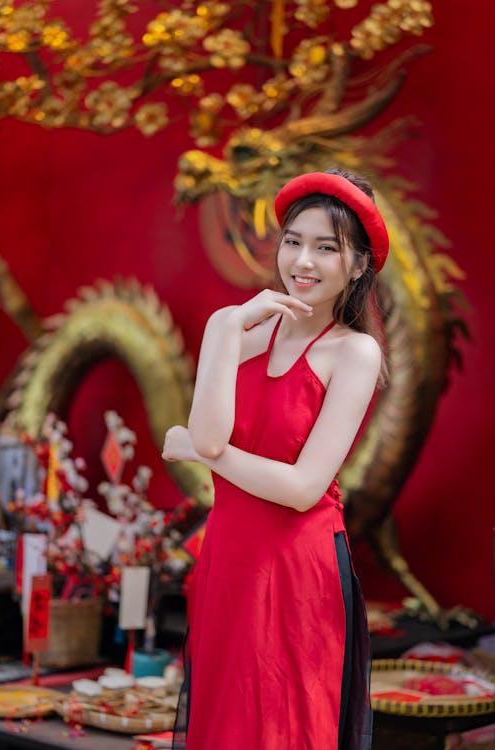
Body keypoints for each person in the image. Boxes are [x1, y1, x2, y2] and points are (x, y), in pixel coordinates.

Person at [162, 168, 389, 750]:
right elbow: (210, 435)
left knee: (284, 727)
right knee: (224, 724)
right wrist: (226, 325)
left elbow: (303, 487)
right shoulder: (242, 330)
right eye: (293, 241)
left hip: (297, 569)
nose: (303, 261)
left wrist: (200, 449)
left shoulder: (355, 351)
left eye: (325, 247)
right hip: (228, 561)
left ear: (358, 265)